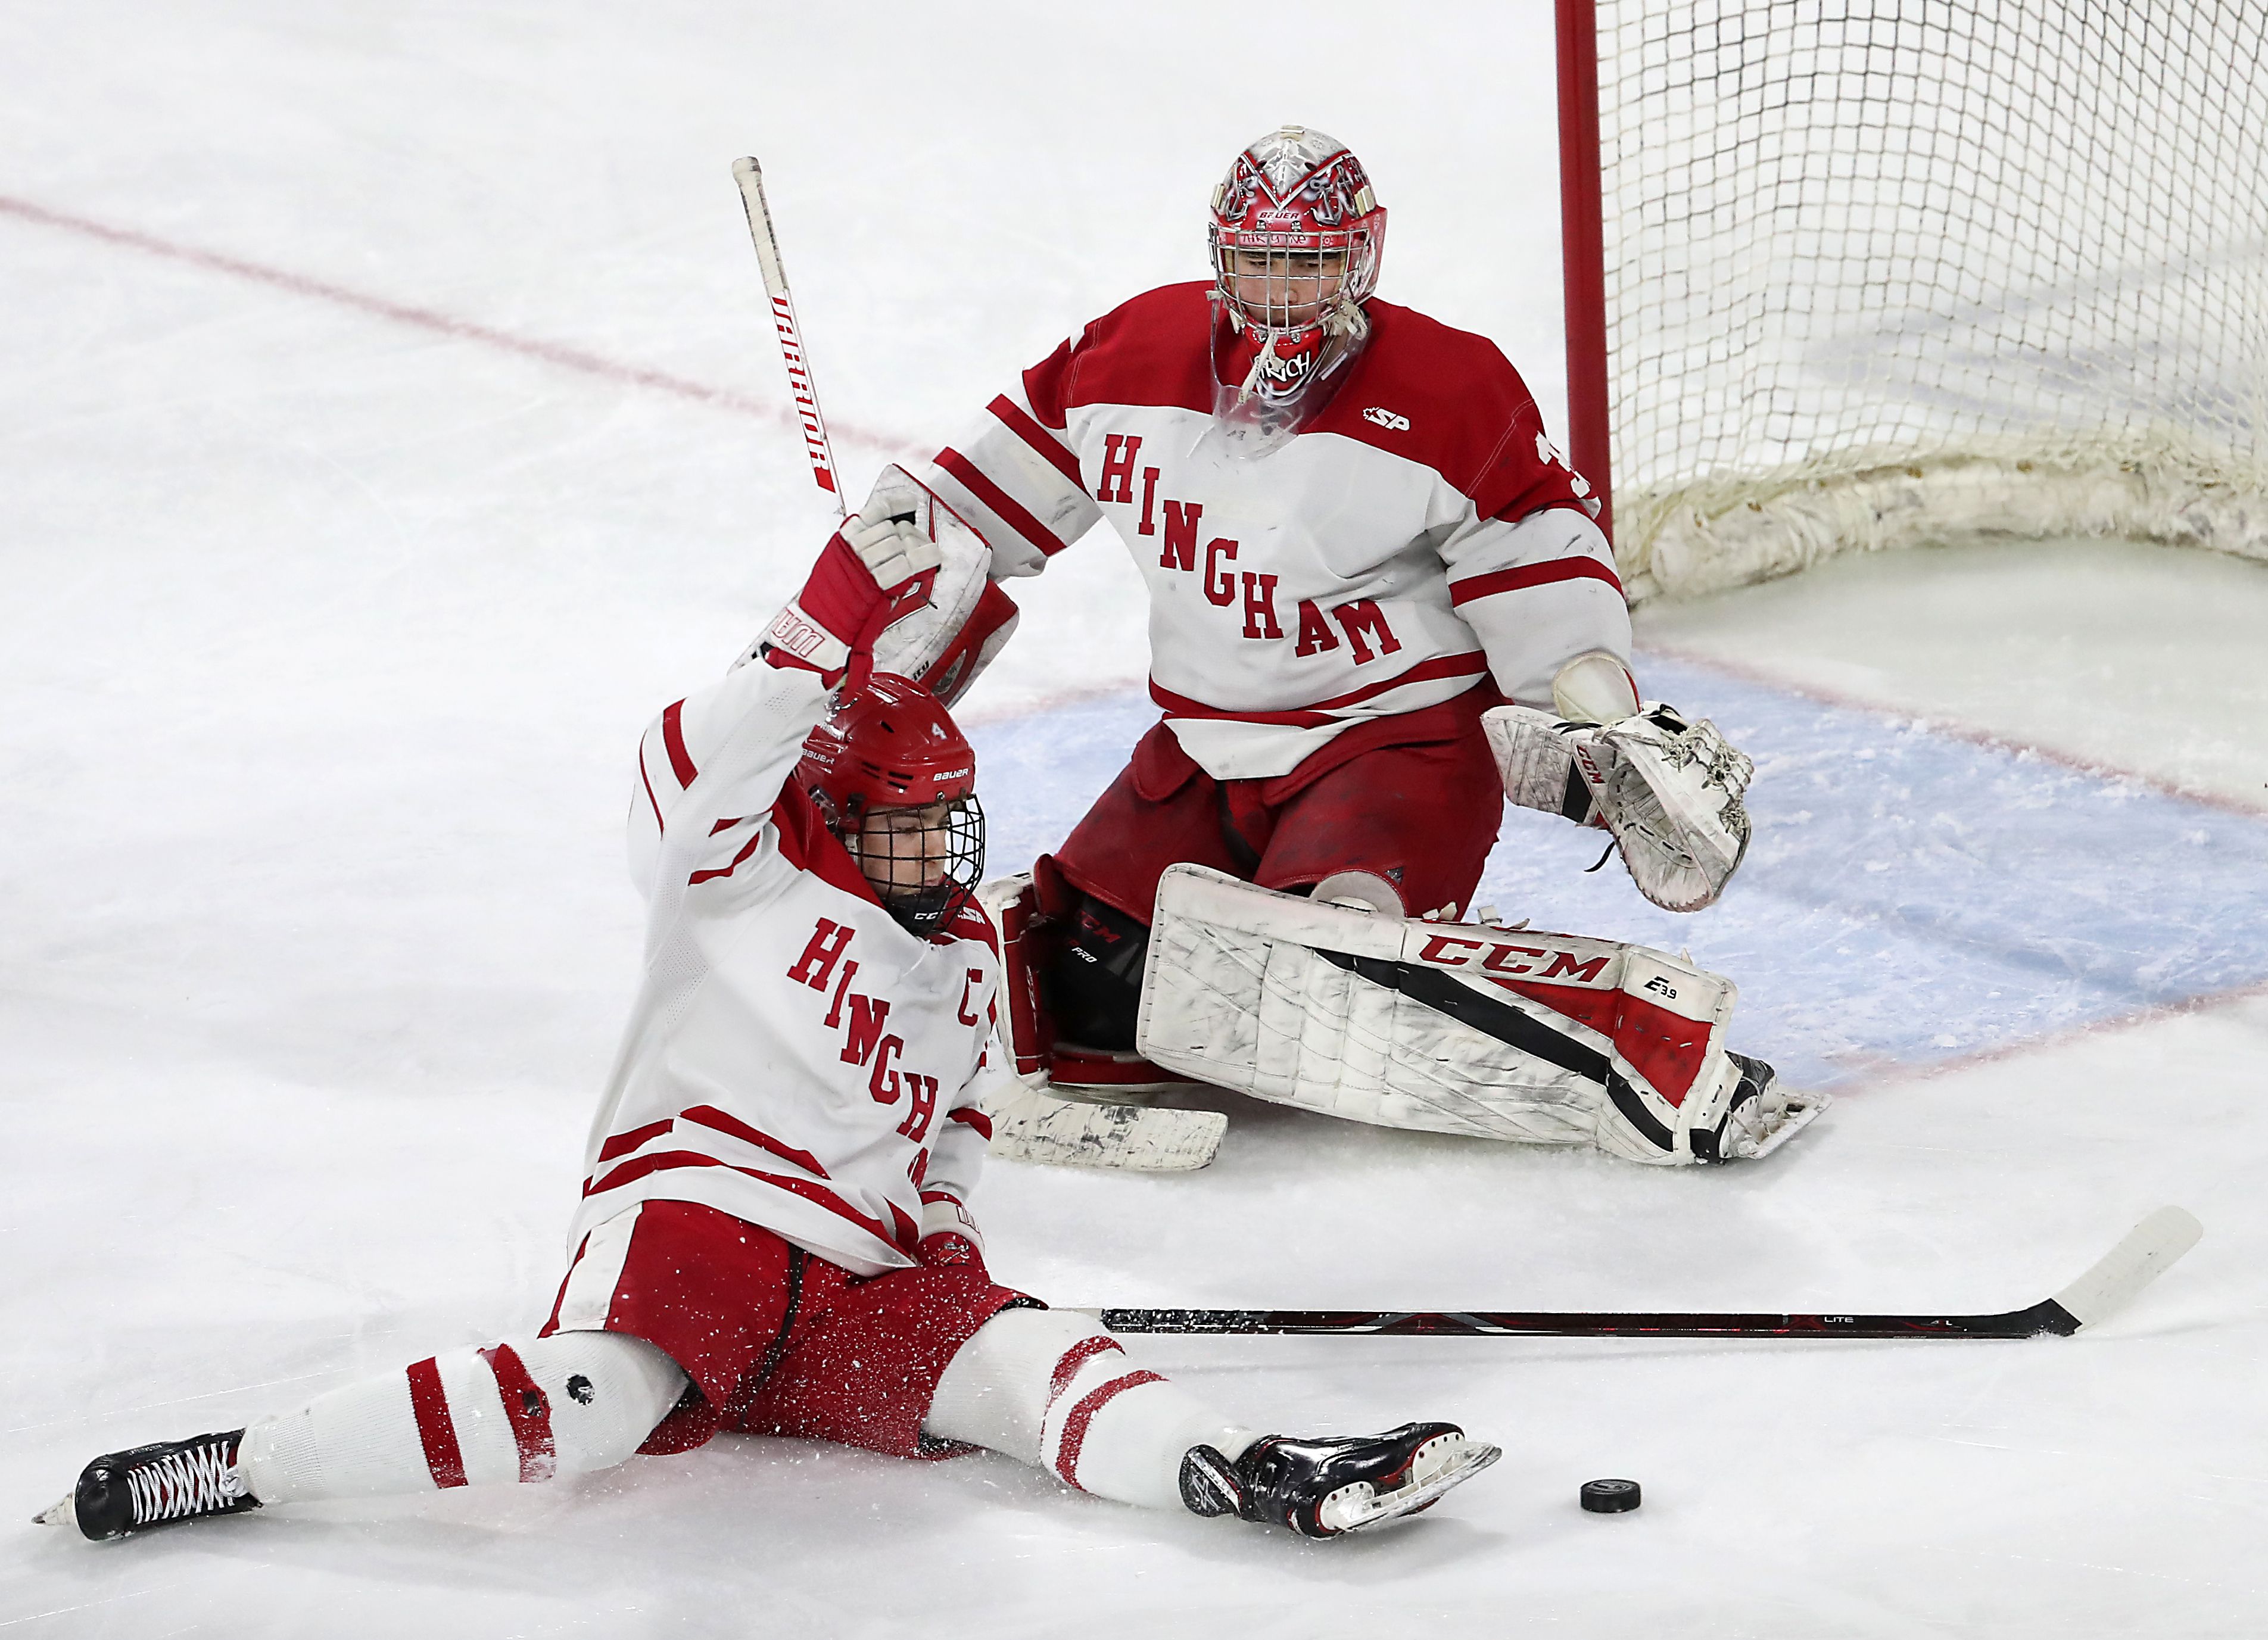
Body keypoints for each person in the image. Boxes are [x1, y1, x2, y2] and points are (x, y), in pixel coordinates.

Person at [35, 502, 1499, 1546]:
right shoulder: (729, 867)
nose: (942, 853)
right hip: (700, 1231)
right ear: (840, 815)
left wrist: (945, 1234)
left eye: (949, 826)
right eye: (911, 829)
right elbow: (703, 749)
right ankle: (242, 1465)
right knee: (592, 1407)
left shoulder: (968, 952)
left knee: (1021, 1360)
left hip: (852, 1288)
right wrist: (823, 622)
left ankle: (1243, 1471)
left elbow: (957, 1131)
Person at [899, 124, 1807, 1170]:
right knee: (1083, 983)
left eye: (1312, 260)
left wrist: (1599, 713)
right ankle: (1346, 952)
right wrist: (871, 594)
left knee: (1318, 976)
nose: (1284, 289)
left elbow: (1542, 564)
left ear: (1360, 256)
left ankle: (1651, 1060)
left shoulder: (1449, 388)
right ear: (1221, 255)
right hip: (1204, 750)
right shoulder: (1128, 357)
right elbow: (972, 506)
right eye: (1261, 260)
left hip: (1394, 750)